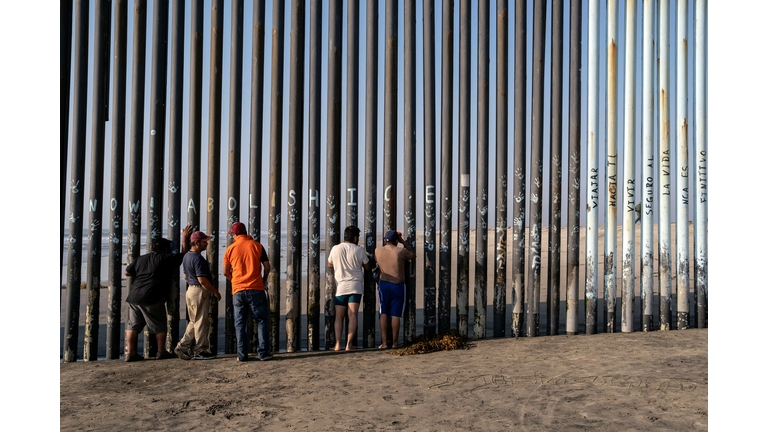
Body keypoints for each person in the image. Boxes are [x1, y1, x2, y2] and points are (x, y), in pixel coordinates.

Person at [123, 225, 193, 362]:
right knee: (159, 324)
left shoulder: (140, 259)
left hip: (133, 297)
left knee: (132, 325)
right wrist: (185, 238)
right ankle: (161, 351)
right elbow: (183, 256)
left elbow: (127, 272)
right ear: (166, 249)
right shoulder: (165, 259)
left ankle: (130, 353)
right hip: (152, 296)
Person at [223, 222, 272, 361]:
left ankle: (242, 355)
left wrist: (235, 281)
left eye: (232, 234)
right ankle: (263, 353)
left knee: (240, 323)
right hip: (256, 288)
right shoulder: (257, 246)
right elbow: (267, 266)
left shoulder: (230, 249)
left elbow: (225, 272)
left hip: (238, 290)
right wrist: (264, 279)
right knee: (261, 321)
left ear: (235, 234)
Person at [174, 231, 221, 361]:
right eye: (204, 241)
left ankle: (183, 347)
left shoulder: (186, 257)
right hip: (199, 290)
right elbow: (202, 280)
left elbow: (185, 276)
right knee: (201, 321)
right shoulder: (198, 258)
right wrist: (215, 292)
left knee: (194, 321)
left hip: (190, 290)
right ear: (197, 242)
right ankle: (201, 350)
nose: (206, 243)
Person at [327, 226, 371, 351]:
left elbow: (330, 264)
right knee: (353, 315)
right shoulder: (359, 250)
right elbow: (367, 267)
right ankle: (349, 345)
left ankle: (337, 345)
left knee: (339, 317)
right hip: (355, 286)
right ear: (356, 238)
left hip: (341, 286)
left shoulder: (335, 248)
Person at [374, 230, 416, 349]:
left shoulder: (378, 251)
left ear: (384, 240)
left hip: (383, 284)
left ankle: (384, 343)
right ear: (396, 241)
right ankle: (395, 343)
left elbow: (377, 261)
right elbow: (413, 255)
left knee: (383, 312)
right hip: (397, 285)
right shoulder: (401, 251)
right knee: (395, 314)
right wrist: (403, 242)